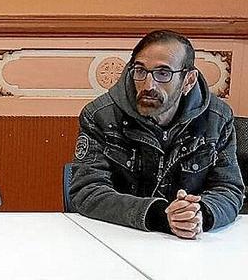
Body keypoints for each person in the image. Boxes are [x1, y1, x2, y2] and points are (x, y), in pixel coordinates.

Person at [70, 30, 244, 238]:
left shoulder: (217, 118)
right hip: (117, 238)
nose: (148, 85)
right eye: (140, 71)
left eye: (163, 73)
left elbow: (229, 189)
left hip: (191, 246)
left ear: (188, 80)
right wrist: (159, 215)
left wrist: (200, 214)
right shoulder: (101, 115)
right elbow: (87, 191)